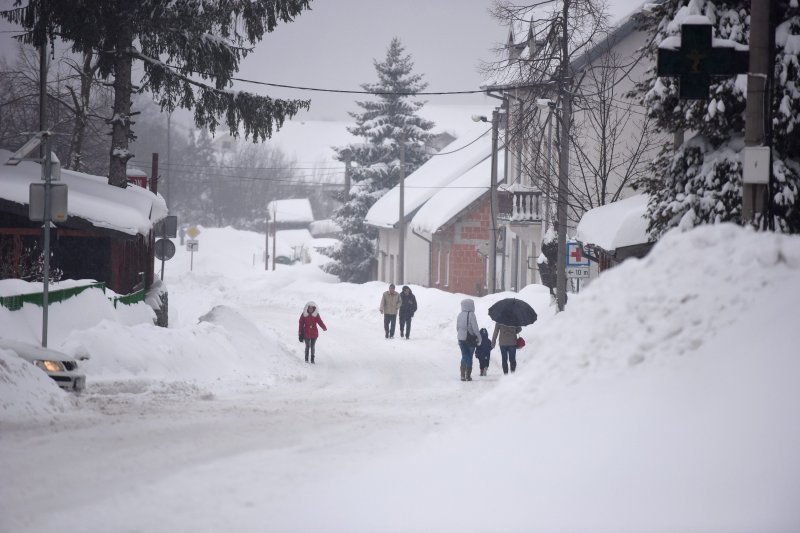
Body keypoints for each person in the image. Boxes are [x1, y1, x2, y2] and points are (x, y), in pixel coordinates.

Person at [456, 298, 481, 381]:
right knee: (469, 356)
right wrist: (479, 338)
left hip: (461, 339)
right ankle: (468, 375)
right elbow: (475, 328)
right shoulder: (471, 315)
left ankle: (462, 375)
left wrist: (461, 334)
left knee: (464, 355)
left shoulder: (459, 315)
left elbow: (457, 328)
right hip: (470, 339)